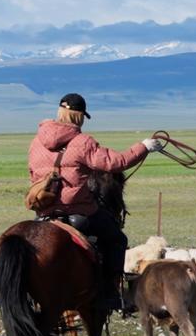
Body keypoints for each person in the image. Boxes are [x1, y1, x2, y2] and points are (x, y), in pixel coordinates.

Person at [27, 94, 166, 299]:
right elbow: (115, 163)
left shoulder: (36, 142)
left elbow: (32, 174)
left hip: (44, 212)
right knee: (117, 239)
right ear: (79, 116)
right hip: (78, 213)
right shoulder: (82, 142)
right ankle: (111, 292)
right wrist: (144, 147)